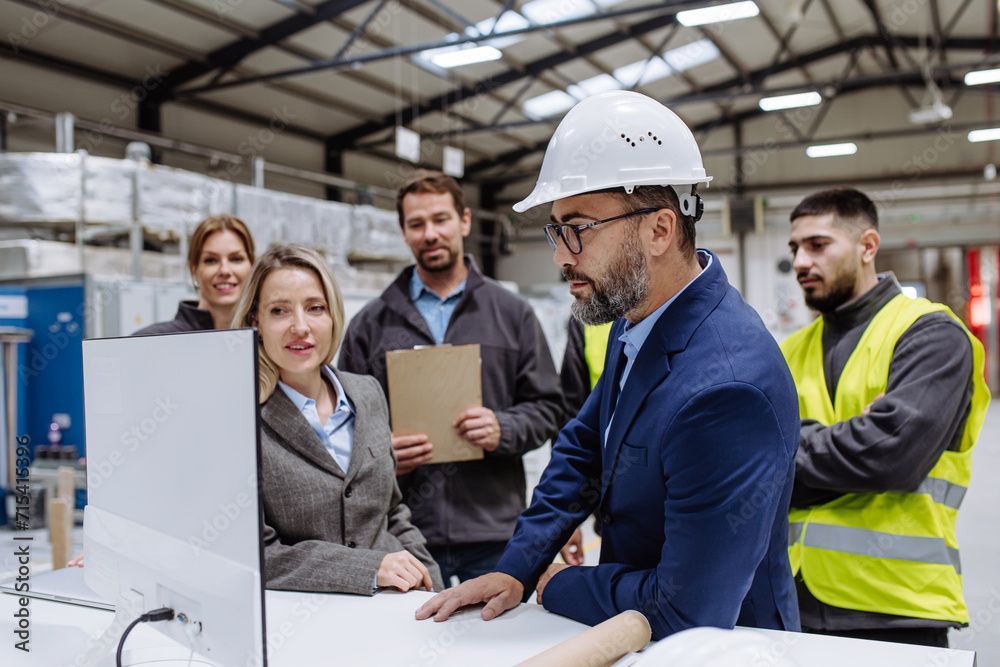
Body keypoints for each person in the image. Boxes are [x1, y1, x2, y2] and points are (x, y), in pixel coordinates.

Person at [415, 91, 800, 639]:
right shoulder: (635, 313)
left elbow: (688, 609)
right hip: (633, 629)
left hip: (722, 647)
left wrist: (557, 585)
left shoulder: (727, 388)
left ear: (660, 230)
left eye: (578, 228)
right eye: (556, 230)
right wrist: (516, 567)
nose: (560, 256)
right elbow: (583, 446)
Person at [782, 188, 990, 647]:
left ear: (867, 246)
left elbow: (889, 457)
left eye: (817, 245)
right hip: (792, 603)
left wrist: (788, 449)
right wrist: (850, 437)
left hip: (897, 608)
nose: (800, 261)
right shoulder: (788, 353)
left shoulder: (931, 334)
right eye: (795, 248)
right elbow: (744, 457)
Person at [338, 171, 563, 585]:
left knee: (498, 644)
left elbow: (549, 406)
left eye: (440, 220)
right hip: (403, 530)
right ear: (404, 232)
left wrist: (503, 427)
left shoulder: (512, 315)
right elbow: (340, 424)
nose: (430, 234)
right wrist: (380, 453)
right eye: (416, 224)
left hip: (493, 528)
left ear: (464, 221)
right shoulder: (370, 324)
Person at [233, 244, 443, 595]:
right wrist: (369, 568)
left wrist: (432, 582)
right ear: (257, 321)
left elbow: (392, 512)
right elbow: (258, 555)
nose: (300, 326)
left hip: (396, 608)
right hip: (308, 622)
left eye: (315, 308)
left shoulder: (367, 393)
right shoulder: (240, 417)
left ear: (333, 316)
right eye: (279, 311)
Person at [136, 214, 255, 335]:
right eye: (211, 260)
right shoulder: (151, 342)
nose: (224, 270)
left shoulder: (267, 342)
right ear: (193, 270)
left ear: (253, 265)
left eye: (236, 259)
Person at [557, 318, 613, 565]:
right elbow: (573, 429)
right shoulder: (590, 320)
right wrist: (567, 517)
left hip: (684, 507)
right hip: (614, 506)